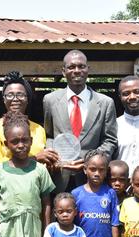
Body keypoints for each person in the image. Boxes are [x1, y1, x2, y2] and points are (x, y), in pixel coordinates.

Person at [43, 49, 118, 192]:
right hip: (59, 176)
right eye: (71, 67)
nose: (77, 71)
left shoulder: (105, 103)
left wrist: (89, 162)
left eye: (81, 66)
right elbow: (49, 135)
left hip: (91, 179)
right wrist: (55, 158)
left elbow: (110, 140)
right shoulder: (50, 100)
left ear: (88, 70)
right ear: (63, 71)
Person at [0, 71, 59, 174]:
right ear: (4, 99)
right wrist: (35, 158)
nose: (15, 99)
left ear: (27, 99)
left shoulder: (39, 129)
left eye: (20, 95)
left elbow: (43, 166)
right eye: (10, 95)